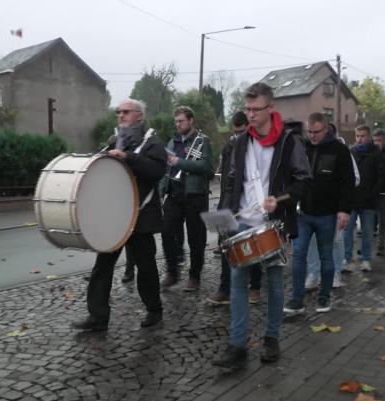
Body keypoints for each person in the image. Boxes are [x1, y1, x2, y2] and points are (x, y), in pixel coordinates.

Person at [212, 82, 310, 369]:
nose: (251, 115)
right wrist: (223, 221)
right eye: (247, 109)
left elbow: (304, 183)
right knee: (238, 283)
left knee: (275, 282)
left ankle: (271, 338)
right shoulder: (238, 143)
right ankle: (237, 344)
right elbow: (230, 186)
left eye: (256, 109)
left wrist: (278, 200)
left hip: (273, 222)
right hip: (242, 222)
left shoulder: (290, 142)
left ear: (271, 108)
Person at [72, 99, 166, 331]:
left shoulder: (152, 141)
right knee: (102, 266)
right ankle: (98, 317)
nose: (121, 115)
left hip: (141, 216)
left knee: (145, 267)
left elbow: (156, 171)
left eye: (126, 112)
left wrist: (128, 157)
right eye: (118, 112)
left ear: (139, 116)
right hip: (116, 217)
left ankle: (154, 309)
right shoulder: (115, 140)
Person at [283, 112, 353, 315]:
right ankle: (297, 299)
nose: (313, 136)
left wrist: (344, 210)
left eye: (317, 132)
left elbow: (347, 183)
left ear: (326, 129)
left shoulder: (339, 150)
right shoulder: (301, 147)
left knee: (326, 257)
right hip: (303, 213)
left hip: (327, 214)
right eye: (310, 132)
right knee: (298, 257)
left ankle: (324, 297)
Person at [207, 111, 262, 305]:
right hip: (228, 202)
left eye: (242, 131)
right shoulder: (229, 147)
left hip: (249, 205)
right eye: (235, 132)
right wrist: (223, 206)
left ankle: (255, 286)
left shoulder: (257, 147)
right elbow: (225, 179)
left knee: (252, 246)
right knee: (225, 246)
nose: (238, 135)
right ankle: (225, 288)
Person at [159, 106, 214, 291]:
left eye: (181, 121)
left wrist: (179, 162)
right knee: (166, 232)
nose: (178, 124)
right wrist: (161, 191)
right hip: (174, 194)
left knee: (195, 238)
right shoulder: (172, 142)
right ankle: (173, 272)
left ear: (191, 121)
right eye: (176, 121)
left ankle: (194, 276)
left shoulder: (202, 141)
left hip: (195, 195)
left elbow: (207, 167)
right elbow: (166, 169)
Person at [343, 125, 385, 272]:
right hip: (352, 199)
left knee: (367, 231)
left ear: (368, 137)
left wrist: (373, 193)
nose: (360, 139)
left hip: (368, 200)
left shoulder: (376, 153)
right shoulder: (350, 152)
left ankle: (366, 259)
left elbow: (381, 176)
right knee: (347, 231)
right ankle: (346, 259)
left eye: (363, 136)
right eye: (357, 136)